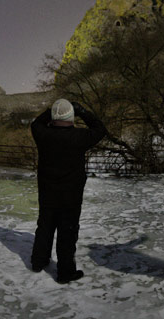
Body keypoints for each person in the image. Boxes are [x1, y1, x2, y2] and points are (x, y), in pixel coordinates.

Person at [29, 98, 107, 283]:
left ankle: (38, 261)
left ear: (54, 117)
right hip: (71, 194)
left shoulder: (43, 134)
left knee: (45, 226)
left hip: (47, 191)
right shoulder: (79, 137)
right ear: (71, 117)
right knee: (67, 231)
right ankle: (65, 272)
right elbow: (100, 129)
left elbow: (36, 123)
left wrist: (52, 109)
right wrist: (81, 111)